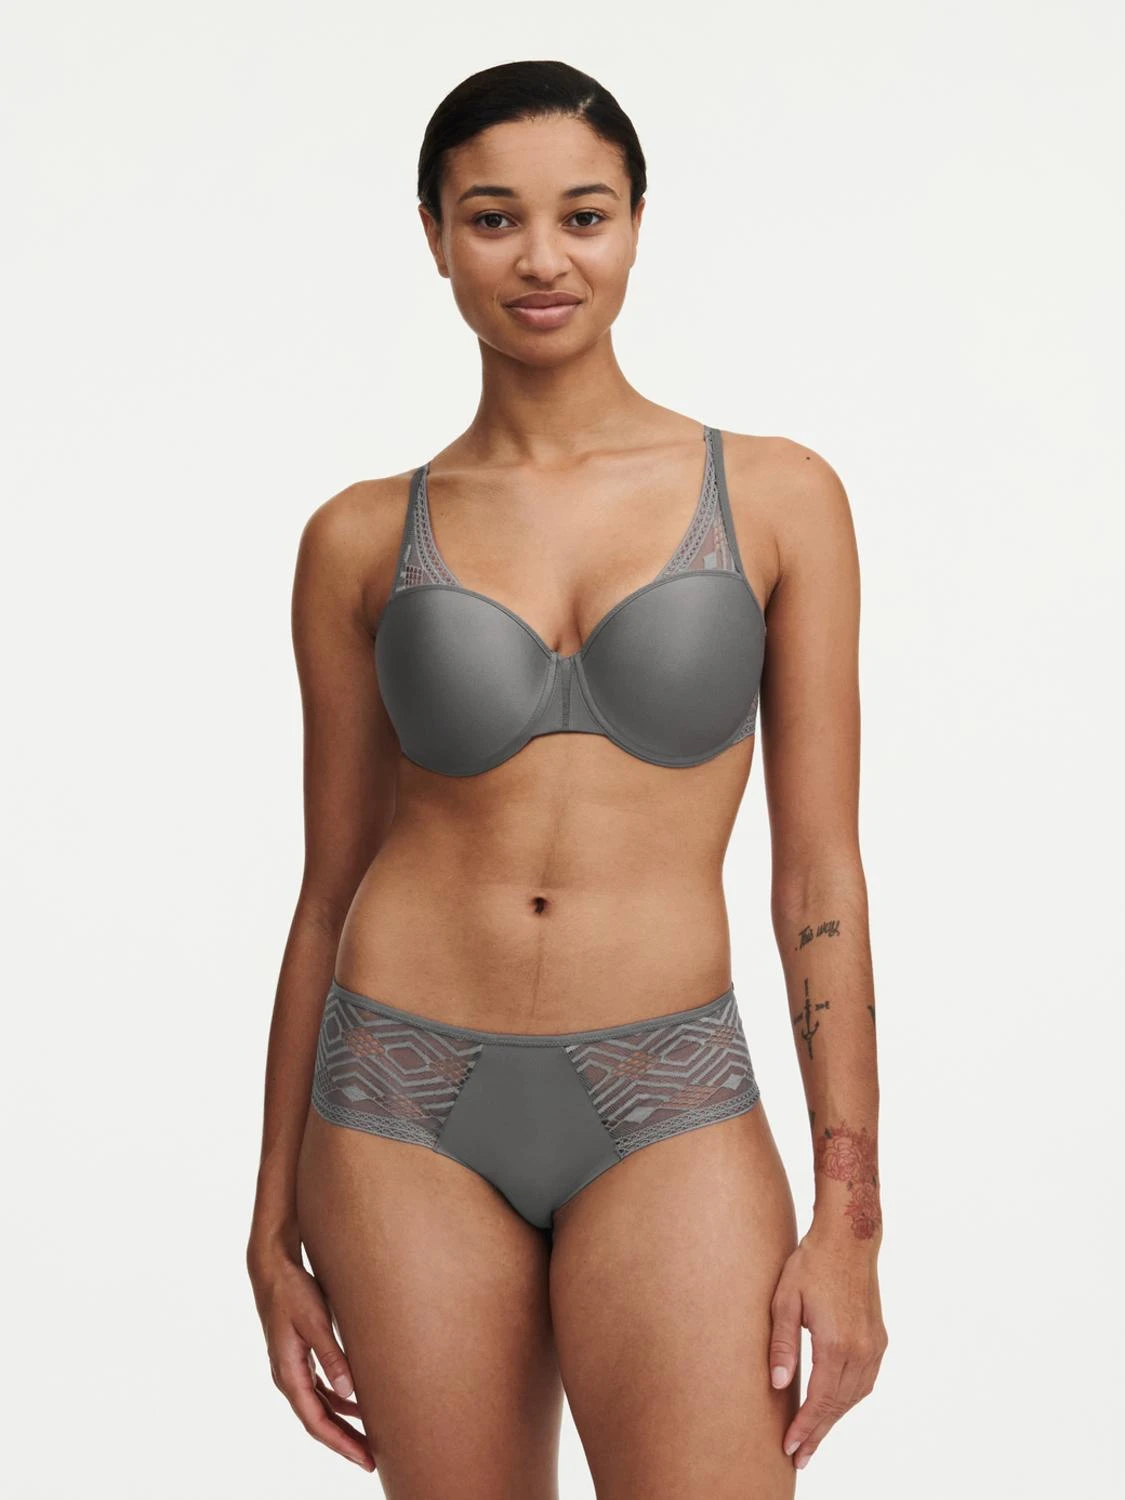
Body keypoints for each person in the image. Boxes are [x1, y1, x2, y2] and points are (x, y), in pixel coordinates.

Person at [246, 57, 887, 1498]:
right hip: (397, 1101)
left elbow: (819, 873)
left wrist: (850, 1220)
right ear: (435, 237)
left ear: (638, 225)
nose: (542, 259)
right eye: (494, 219)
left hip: (670, 1093)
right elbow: (326, 889)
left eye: (583, 216)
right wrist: (270, 1218)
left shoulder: (777, 499)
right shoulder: (359, 537)